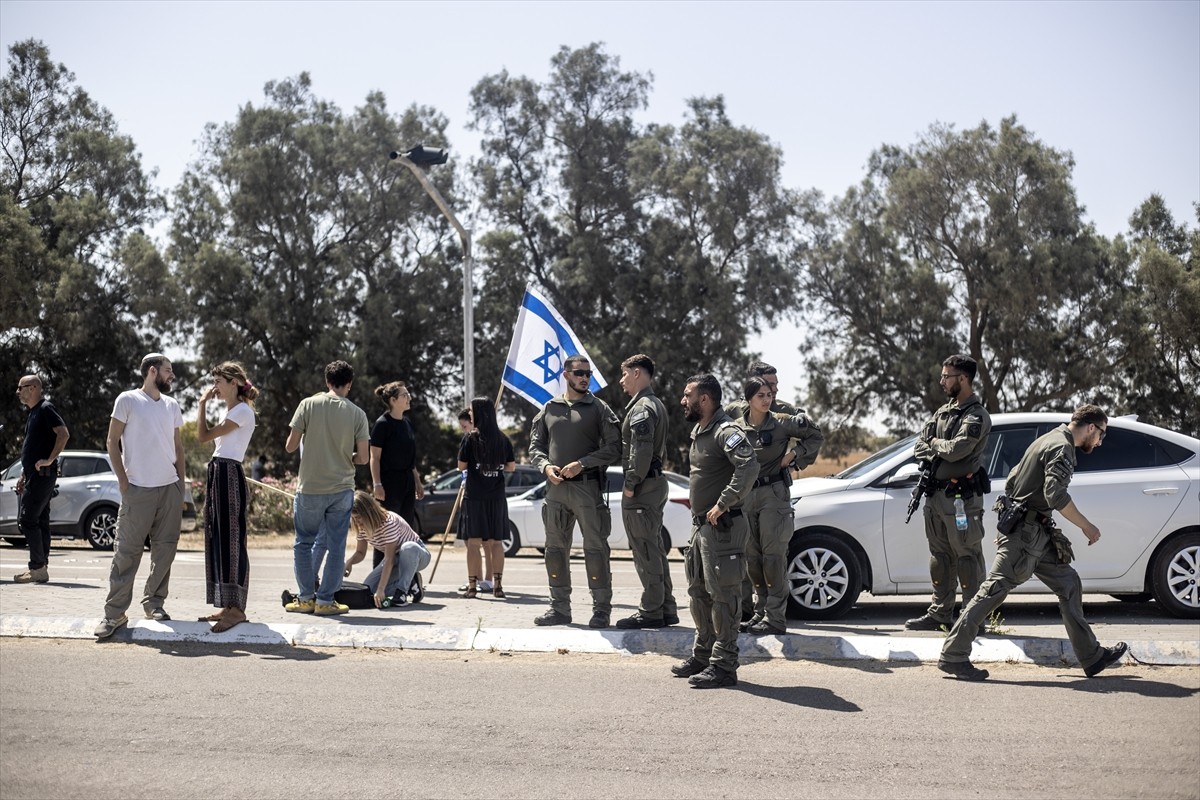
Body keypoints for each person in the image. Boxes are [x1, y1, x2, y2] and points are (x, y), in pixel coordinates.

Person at [938, 404, 1129, 681]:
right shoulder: (1061, 447)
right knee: (993, 591)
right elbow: (1056, 495)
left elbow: (1013, 481)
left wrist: (1011, 526)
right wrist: (1087, 526)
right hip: (1025, 536)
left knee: (1069, 583)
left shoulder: (1047, 439)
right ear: (1091, 427)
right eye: (1101, 434)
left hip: (1033, 534)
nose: (1100, 442)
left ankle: (1092, 657)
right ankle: (953, 655)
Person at [670, 374, 758, 689]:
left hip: (724, 526)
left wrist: (723, 503)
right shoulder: (700, 431)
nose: (683, 400)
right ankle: (704, 654)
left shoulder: (726, 431)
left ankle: (724, 666)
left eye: (687, 394)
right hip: (700, 528)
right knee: (698, 593)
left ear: (704, 399)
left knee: (724, 597)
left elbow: (749, 467)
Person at [95, 353, 187, 640]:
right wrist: (123, 481)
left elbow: (178, 448)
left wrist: (180, 486)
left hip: (168, 489)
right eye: (168, 371)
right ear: (152, 371)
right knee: (127, 553)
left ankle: (154, 603)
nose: (172, 376)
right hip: (138, 490)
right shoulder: (127, 400)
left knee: (166, 550)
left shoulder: (171, 405)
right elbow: (111, 442)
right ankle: (114, 614)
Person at [528, 355, 621, 628]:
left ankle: (601, 610)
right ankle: (559, 609)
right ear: (566, 374)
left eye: (588, 374)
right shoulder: (549, 408)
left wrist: (583, 464)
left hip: (588, 489)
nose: (584, 378)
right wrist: (545, 467)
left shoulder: (599, 408)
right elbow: (535, 448)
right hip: (555, 491)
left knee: (596, 550)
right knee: (555, 550)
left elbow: (615, 447)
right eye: (579, 373)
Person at [904, 354, 993, 632]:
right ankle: (940, 613)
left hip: (961, 500)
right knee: (939, 557)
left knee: (967, 556)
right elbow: (919, 445)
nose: (942, 381)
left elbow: (958, 450)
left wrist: (933, 443)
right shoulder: (942, 412)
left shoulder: (976, 416)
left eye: (947, 377)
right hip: (935, 497)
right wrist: (934, 443)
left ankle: (972, 617)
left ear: (963, 379)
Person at [729, 376, 823, 635]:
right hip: (747, 497)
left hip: (774, 495)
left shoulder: (782, 423)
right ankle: (761, 613)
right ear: (748, 399)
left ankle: (776, 618)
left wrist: (794, 455)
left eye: (769, 394)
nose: (767, 399)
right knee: (753, 560)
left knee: (773, 559)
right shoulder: (735, 428)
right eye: (761, 395)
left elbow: (815, 435)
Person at [284, 360, 370, 616]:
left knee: (303, 543)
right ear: (350, 384)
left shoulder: (307, 404)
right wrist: (347, 455)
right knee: (336, 546)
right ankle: (325, 601)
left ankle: (305, 598)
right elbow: (363, 458)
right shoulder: (357, 414)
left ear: (327, 382)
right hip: (341, 488)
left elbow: (290, 446)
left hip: (310, 486)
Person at [613, 354, 680, 629]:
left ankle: (651, 610)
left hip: (643, 487)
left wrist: (630, 484)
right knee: (653, 548)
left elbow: (640, 450)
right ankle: (666, 608)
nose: (622, 380)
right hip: (653, 483)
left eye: (625, 374)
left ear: (637, 373)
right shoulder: (654, 404)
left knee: (645, 550)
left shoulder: (642, 408)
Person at [195, 362, 258, 633]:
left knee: (233, 540)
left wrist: (201, 405)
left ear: (234, 383)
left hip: (228, 474)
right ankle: (228, 605)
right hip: (218, 472)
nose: (215, 387)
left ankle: (238, 610)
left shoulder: (242, 411)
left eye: (219, 381)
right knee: (219, 539)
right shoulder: (232, 410)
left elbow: (202, 436)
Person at [457, 397, 516, 598]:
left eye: (472, 411)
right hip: (496, 496)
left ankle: (473, 587)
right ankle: (497, 586)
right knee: (496, 542)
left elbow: (461, 466)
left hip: (474, 497)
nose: (470, 414)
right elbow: (511, 466)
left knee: (473, 542)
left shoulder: (470, 439)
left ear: (479, 414)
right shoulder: (503, 439)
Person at [12, 374, 69, 584]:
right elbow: (32, 449)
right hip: (34, 476)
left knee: (27, 520)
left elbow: (63, 434)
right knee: (40, 520)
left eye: (21, 387)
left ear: (33, 388)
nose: (18, 392)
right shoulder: (33, 413)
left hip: (43, 475)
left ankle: (37, 567)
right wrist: (23, 474)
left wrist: (49, 460)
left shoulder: (45, 408)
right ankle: (41, 567)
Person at [344, 491, 430, 608]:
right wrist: (349, 562)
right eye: (354, 518)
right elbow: (360, 552)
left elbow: (389, 559)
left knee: (408, 547)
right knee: (368, 589)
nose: (357, 522)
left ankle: (402, 592)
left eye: (359, 517)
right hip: (395, 560)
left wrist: (381, 589)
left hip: (416, 556)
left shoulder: (388, 522)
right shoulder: (362, 527)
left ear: (369, 512)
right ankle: (411, 583)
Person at [370, 382, 424, 552]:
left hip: (407, 482)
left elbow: (411, 459)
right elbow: (374, 457)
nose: (409, 398)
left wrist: (418, 481)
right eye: (405, 395)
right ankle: (381, 575)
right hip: (389, 483)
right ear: (393, 400)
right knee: (387, 530)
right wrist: (377, 484)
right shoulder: (382, 424)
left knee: (406, 528)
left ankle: (403, 574)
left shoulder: (407, 424)